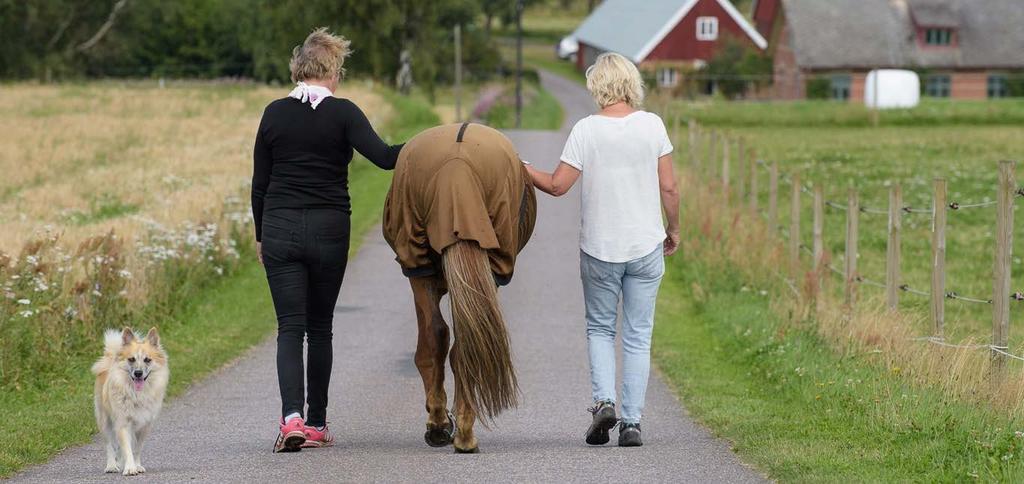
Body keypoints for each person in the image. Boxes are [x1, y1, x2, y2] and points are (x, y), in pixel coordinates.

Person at [251, 28, 404, 453]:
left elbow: (260, 184)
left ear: (298, 69)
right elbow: (387, 157)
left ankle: (291, 419)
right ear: (332, 70)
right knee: (320, 329)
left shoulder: (273, 113)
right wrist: (432, 141)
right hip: (329, 229)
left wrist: (262, 235)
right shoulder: (344, 113)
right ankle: (317, 423)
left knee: (289, 328)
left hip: (280, 226)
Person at [523, 52, 680, 448]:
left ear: (597, 88)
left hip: (599, 249)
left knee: (600, 328)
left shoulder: (586, 130)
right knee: (638, 336)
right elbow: (669, 187)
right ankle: (632, 423)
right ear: (632, 84)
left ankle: (604, 402)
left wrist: (523, 168)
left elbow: (558, 185)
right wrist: (673, 228)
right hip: (645, 246)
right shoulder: (652, 125)